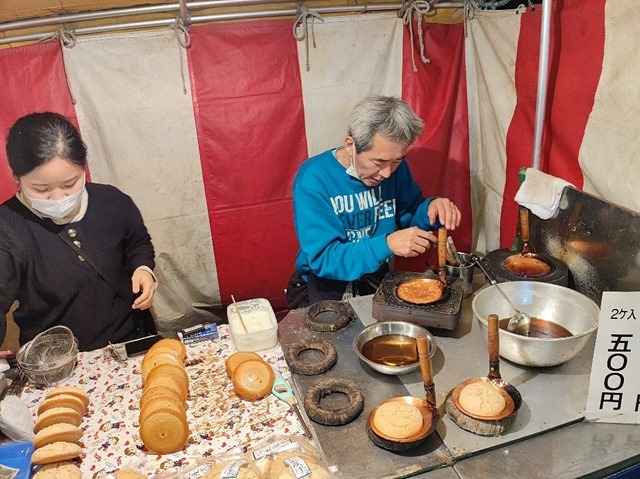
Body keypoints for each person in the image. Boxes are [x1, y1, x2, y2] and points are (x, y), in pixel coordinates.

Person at [0, 112, 157, 351]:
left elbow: (137, 242)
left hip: (128, 342)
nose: (58, 198)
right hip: (56, 362)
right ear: (16, 177)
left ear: (83, 168)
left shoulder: (112, 200)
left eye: (69, 184)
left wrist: (143, 269)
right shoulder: (6, 228)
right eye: (41, 189)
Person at [287, 96, 461, 308]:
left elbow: (410, 214)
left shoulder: (393, 169)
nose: (387, 173)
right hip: (326, 285)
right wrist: (386, 244)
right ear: (351, 146)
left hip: (376, 278)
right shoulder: (314, 180)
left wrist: (430, 209)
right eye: (378, 162)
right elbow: (324, 259)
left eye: (397, 161)